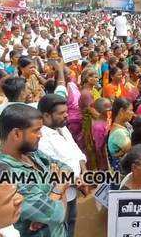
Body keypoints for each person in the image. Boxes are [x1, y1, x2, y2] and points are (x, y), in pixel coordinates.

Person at [0, 104, 70, 237]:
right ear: (16, 134)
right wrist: (59, 187)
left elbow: (66, 168)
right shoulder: (7, 174)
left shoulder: (30, 153)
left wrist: (51, 201)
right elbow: (57, 215)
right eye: (36, 130)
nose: (40, 135)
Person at [37, 94, 88, 237]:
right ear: (46, 115)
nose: (67, 115)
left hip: (73, 191)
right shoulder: (41, 139)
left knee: (71, 223)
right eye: (61, 113)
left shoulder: (62, 128)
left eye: (66, 111)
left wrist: (84, 172)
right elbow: (53, 170)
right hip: (57, 197)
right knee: (59, 229)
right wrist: (78, 181)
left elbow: (77, 152)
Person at [79, 68, 101, 169]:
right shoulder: (86, 94)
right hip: (90, 126)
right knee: (92, 151)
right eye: (95, 77)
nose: (98, 79)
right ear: (88, 79)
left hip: (96, 124)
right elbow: (94, 113)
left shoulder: (93, 90)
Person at [107, 98, 134, 171]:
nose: (133, 113)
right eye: (131, 110)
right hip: (122, 170)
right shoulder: (119, 134)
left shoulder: (125, 124)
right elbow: (132, 149)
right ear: (122, 111)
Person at [91, 98, 112, 170]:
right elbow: (99, 148)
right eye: (108, 109)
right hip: (105, 158)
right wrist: (103, 164)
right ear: (101, 111)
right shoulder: (98, 127)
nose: (110, 110)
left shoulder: (108, 120)